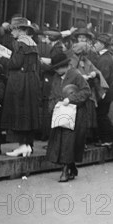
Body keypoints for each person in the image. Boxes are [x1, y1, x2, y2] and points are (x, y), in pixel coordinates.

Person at [46, 52, 91, 182]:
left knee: (68, 141)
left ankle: (65, 171)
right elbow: (52, 94)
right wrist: (52, 107)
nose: (56, 70)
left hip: (75, 113)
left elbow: (86, 91)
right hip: (61, 113)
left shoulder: (76, 75)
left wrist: (70, 99)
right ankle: (71, 167)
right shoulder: (56, 77)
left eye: (58, 67)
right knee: (61, 141)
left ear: (65, 66)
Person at [2, 17, 41, 157]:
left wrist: (1, 58)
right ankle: (27, 145)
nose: (12, 32)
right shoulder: (32, 43)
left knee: (18, 112)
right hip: (31, 81)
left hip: (19, 82)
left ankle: (22, 146)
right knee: (27, 113)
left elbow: (15, 63)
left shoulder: (19, 43)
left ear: (19, 30)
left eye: (13, 30)